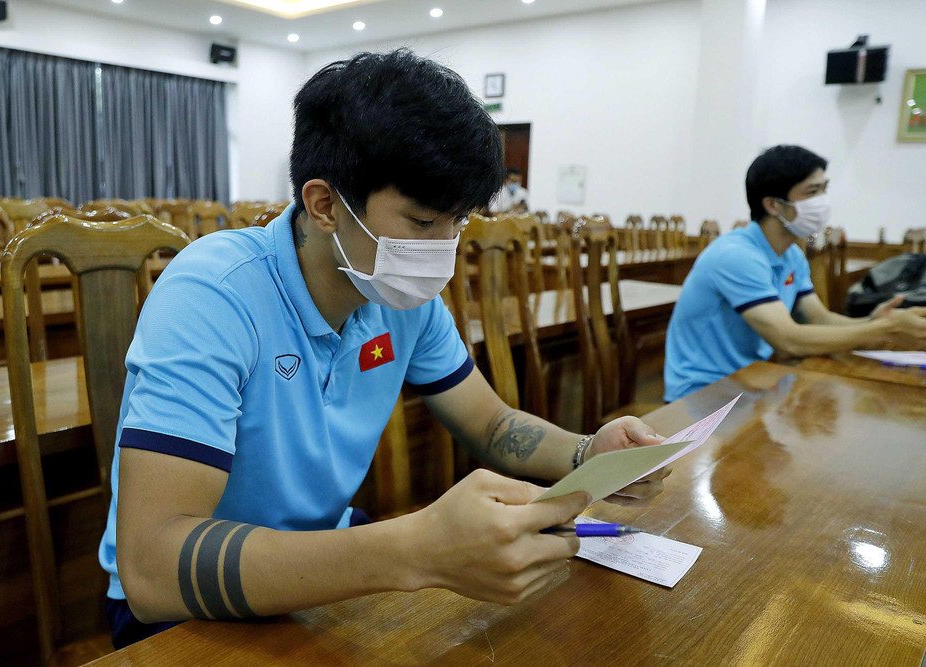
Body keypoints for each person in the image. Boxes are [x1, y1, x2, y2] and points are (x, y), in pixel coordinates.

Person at [101, 49, 670, 649]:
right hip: (194, 608)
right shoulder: (215, 293)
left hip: (328, 558)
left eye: (457, 223)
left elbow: (490, 422)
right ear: (325, 205)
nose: (443, 248)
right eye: (422, 224)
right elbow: (153, 569)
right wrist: (413, 550)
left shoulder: (399, 298)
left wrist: (587, 453)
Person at [664, 144, 926, 402]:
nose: (822, 201)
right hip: (701, 392)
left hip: (749, 381)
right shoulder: (736, 255)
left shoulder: (791, 254)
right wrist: (885, 331)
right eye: (812, 192)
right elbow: (788, 341)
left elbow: (819, 319)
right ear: (773, 205)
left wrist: (873, 322)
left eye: (824, 189)